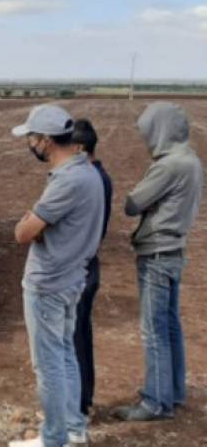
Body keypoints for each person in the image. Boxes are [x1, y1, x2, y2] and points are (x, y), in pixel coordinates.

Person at [9, 104, 104, 447]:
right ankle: (73, 428)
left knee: (49, 365)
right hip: (72, 277)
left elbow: (22, 232)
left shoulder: (68, 180)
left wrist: (31, 224)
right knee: (65, 355)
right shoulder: (88, 172)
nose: (29, 143)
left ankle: (53, 438)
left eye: (31, 137)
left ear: (46, 141)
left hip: (50, 283)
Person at [112, 102, 203, 422]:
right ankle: (173, 392)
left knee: (154, 331)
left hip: (156, 253)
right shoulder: (191, 159)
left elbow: (132, 204)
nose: (147, 139)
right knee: (170, 326)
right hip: (175, 250)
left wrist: (133, 193)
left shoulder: (168, 166)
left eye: (149, 132)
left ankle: (155, 403)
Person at [69, 119, 112, 417]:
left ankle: (77, 407)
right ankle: (83, 400)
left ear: (81, 148)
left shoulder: (89, 180)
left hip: (79, 266)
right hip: (89, 263)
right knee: (81, 335)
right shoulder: (101, 177)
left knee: (74, 340)